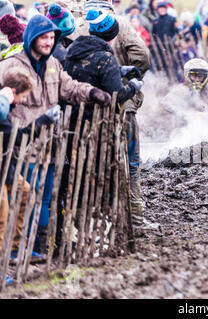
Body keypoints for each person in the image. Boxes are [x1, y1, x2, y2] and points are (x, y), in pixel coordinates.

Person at [0, 14, 111, 255]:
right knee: (22, 199)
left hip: (49, 146)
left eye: (52, 37)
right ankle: (17, 249)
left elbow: (69, 88)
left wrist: (92, 92)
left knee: (44, 198)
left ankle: (38, 245)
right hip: (22, 146)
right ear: (31, 38)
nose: (49, 42)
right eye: (44, 37)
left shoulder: (53, 66)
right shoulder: (11, 66)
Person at [80, 0, 151, 232]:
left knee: (95, 161)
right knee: (130, 161)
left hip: (89, 107)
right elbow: (142, 55)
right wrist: (130, 79)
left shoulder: (80, 25)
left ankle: (97, 218)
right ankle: (135, 217)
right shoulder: (120, 23)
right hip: (123, 103)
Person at [1, 67, 60, 281]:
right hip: (1, 169)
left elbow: (15, 134)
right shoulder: (2, 105)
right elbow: (15, 136)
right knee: (2, 215)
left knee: (26, 192)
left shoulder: (5, 109)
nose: (21, 102)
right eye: (22, 96)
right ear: (14, 92)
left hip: (5, 169)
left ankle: (15, 248)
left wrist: (42, 120)